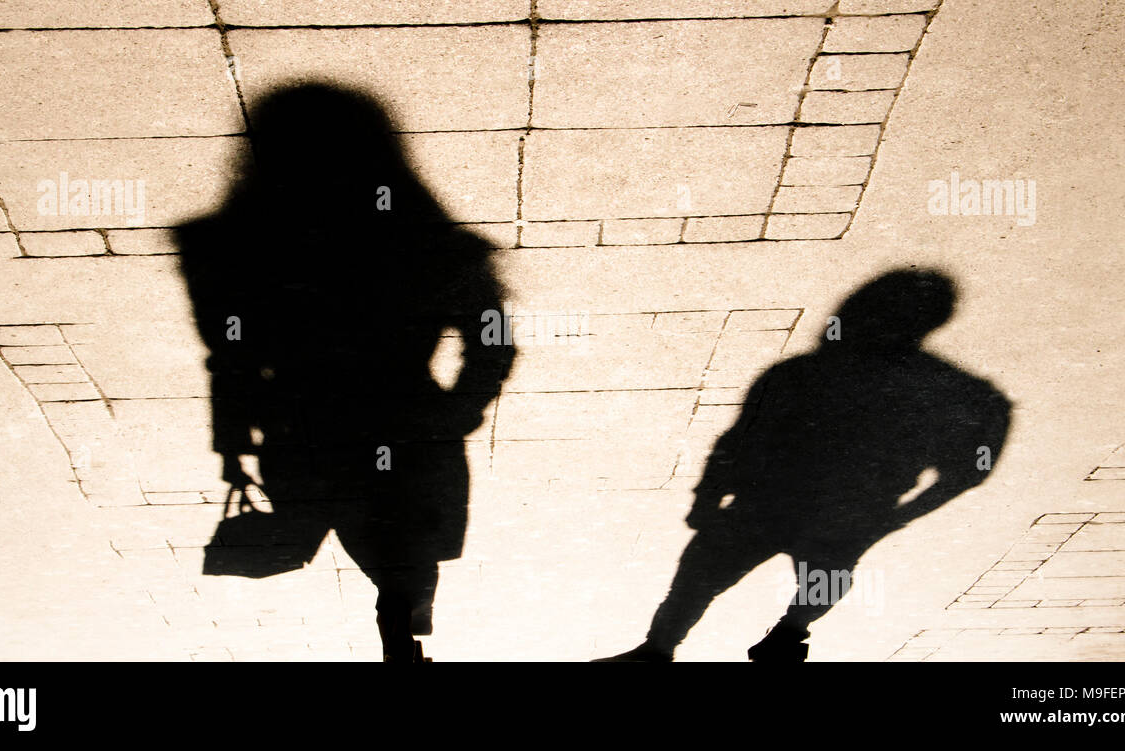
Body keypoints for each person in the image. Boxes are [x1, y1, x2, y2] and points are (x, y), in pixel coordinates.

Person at [177, 82, 514, 661]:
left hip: (301, 430)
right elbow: (493, 336)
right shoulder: (428, 243)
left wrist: (233, 444)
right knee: (400, 540)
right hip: (405, 419)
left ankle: (401, 614)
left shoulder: (228, 248)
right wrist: (459, 409)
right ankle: (402, 615)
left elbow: (229, 355)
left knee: (356, 524)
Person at [600, 270, 1011, 661]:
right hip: (849, 512)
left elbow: (738, 440)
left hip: (767, 503)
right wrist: (894, 517)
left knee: (698, 579)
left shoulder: (801, 372)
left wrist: (707, 497)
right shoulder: (956, 392)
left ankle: (660, 648)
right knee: (824, 580)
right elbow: (969, 471)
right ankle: (787, 635)